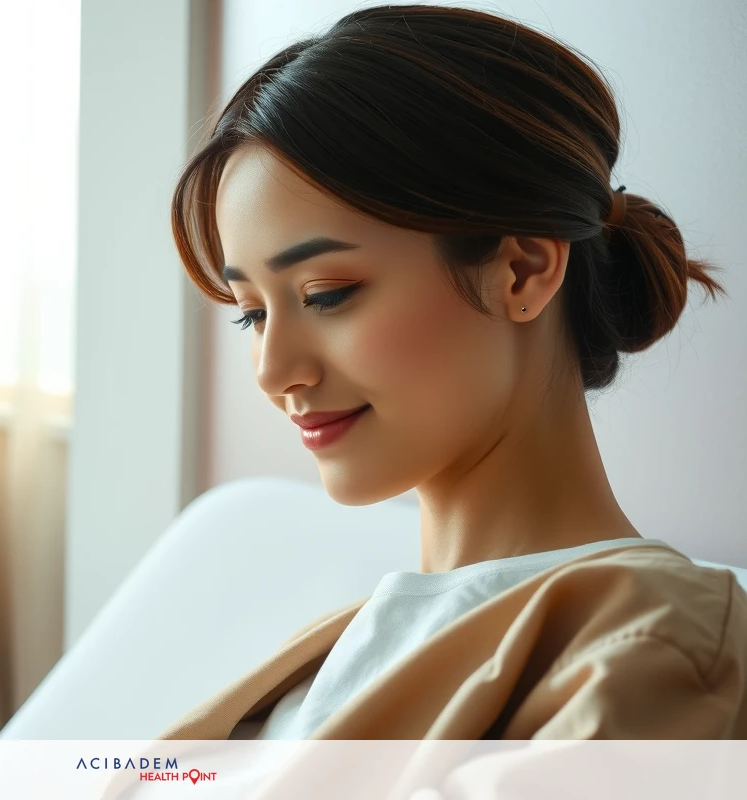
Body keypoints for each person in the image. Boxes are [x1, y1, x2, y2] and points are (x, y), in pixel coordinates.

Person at [165, 3, 745, 741]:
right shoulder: (347, 642)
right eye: (251, 313)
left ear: (522, 270)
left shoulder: (652, 646)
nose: (273, 371)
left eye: (326, 294)